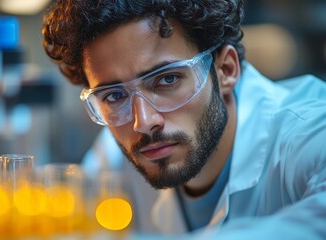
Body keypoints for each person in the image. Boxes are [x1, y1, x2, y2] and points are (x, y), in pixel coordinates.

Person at [42, 0, 326, 238]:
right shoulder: (113, 161)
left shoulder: (308, 134)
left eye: (167, 79)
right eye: (114, 96)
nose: (143, 122)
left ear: (225, 70)